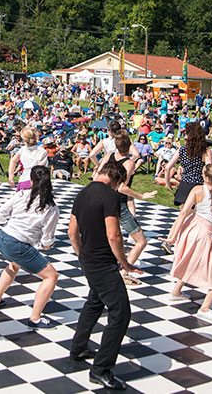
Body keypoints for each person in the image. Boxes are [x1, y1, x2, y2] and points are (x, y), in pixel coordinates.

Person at [67, 160, 142, 391]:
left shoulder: (82, 191)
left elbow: (72, 231)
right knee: (121, 314)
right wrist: (126, 263)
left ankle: (79, 347)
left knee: (94, 302)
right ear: (117, 180)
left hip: (88, 258)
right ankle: (101, 369)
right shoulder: (110, 196)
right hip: (103, 263)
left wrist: (82, 255)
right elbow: (115, 236)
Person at [0, 165, 61, 329]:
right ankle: (35, 318)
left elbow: (0, 213)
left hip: (2, 237)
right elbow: (47, 241)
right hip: (17, 244)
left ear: (31, 180)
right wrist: (47, 246)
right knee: (51, 276)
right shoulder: (51, 207)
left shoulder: (21, 194)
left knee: (14, 264)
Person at [164, 163, 212, 321]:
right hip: (204, 232)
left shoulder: (197, 189)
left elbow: (183, 213)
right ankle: (204, 308)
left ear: (205, 177)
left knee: (191, 258)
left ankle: (176, 292)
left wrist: (173, 236)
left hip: (190, 227)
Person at [95, 132, 156, 285]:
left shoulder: (108, 155)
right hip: (117, 203)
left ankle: (108, 267)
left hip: (100, 198)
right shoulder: (128, 163)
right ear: (129, 146)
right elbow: (122, 187)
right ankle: (124, 271)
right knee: (141, 241)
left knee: (109, 236)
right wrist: (142, 196)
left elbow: (97, 176)